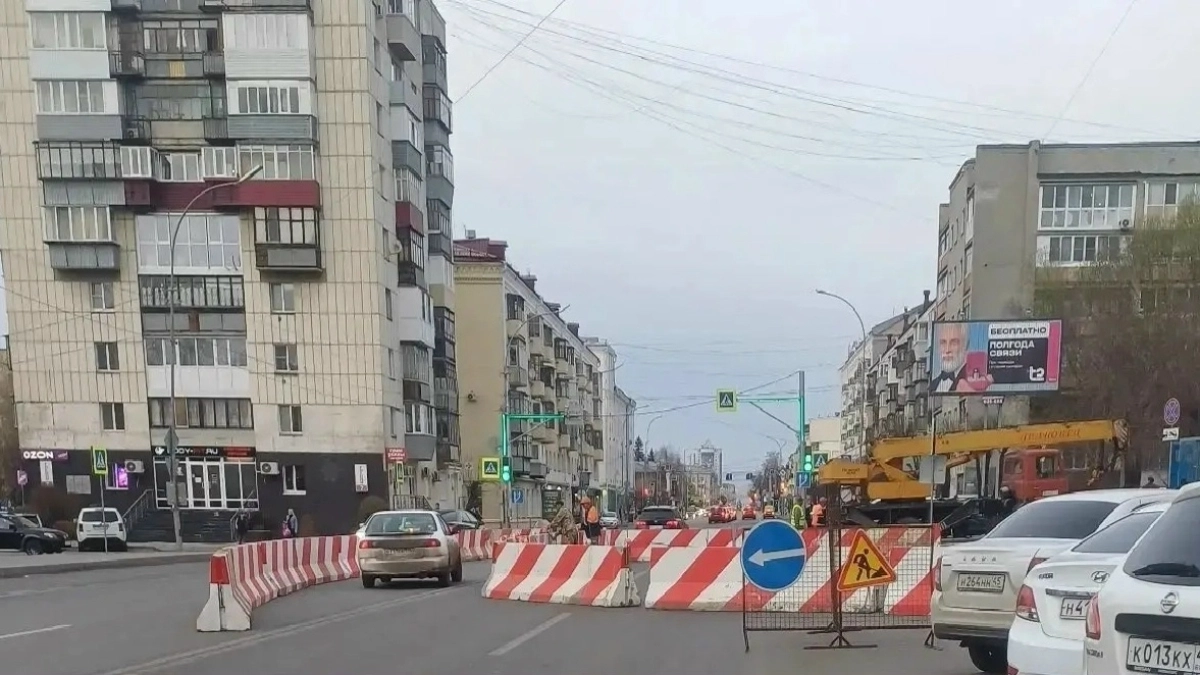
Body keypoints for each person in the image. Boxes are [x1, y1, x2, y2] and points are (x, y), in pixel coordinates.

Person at [929, 322, 993, 394]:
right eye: (943, 343)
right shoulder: (933, 384)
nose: (947, 350)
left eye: (954, 343)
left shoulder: (975, 379)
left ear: (966, 345)